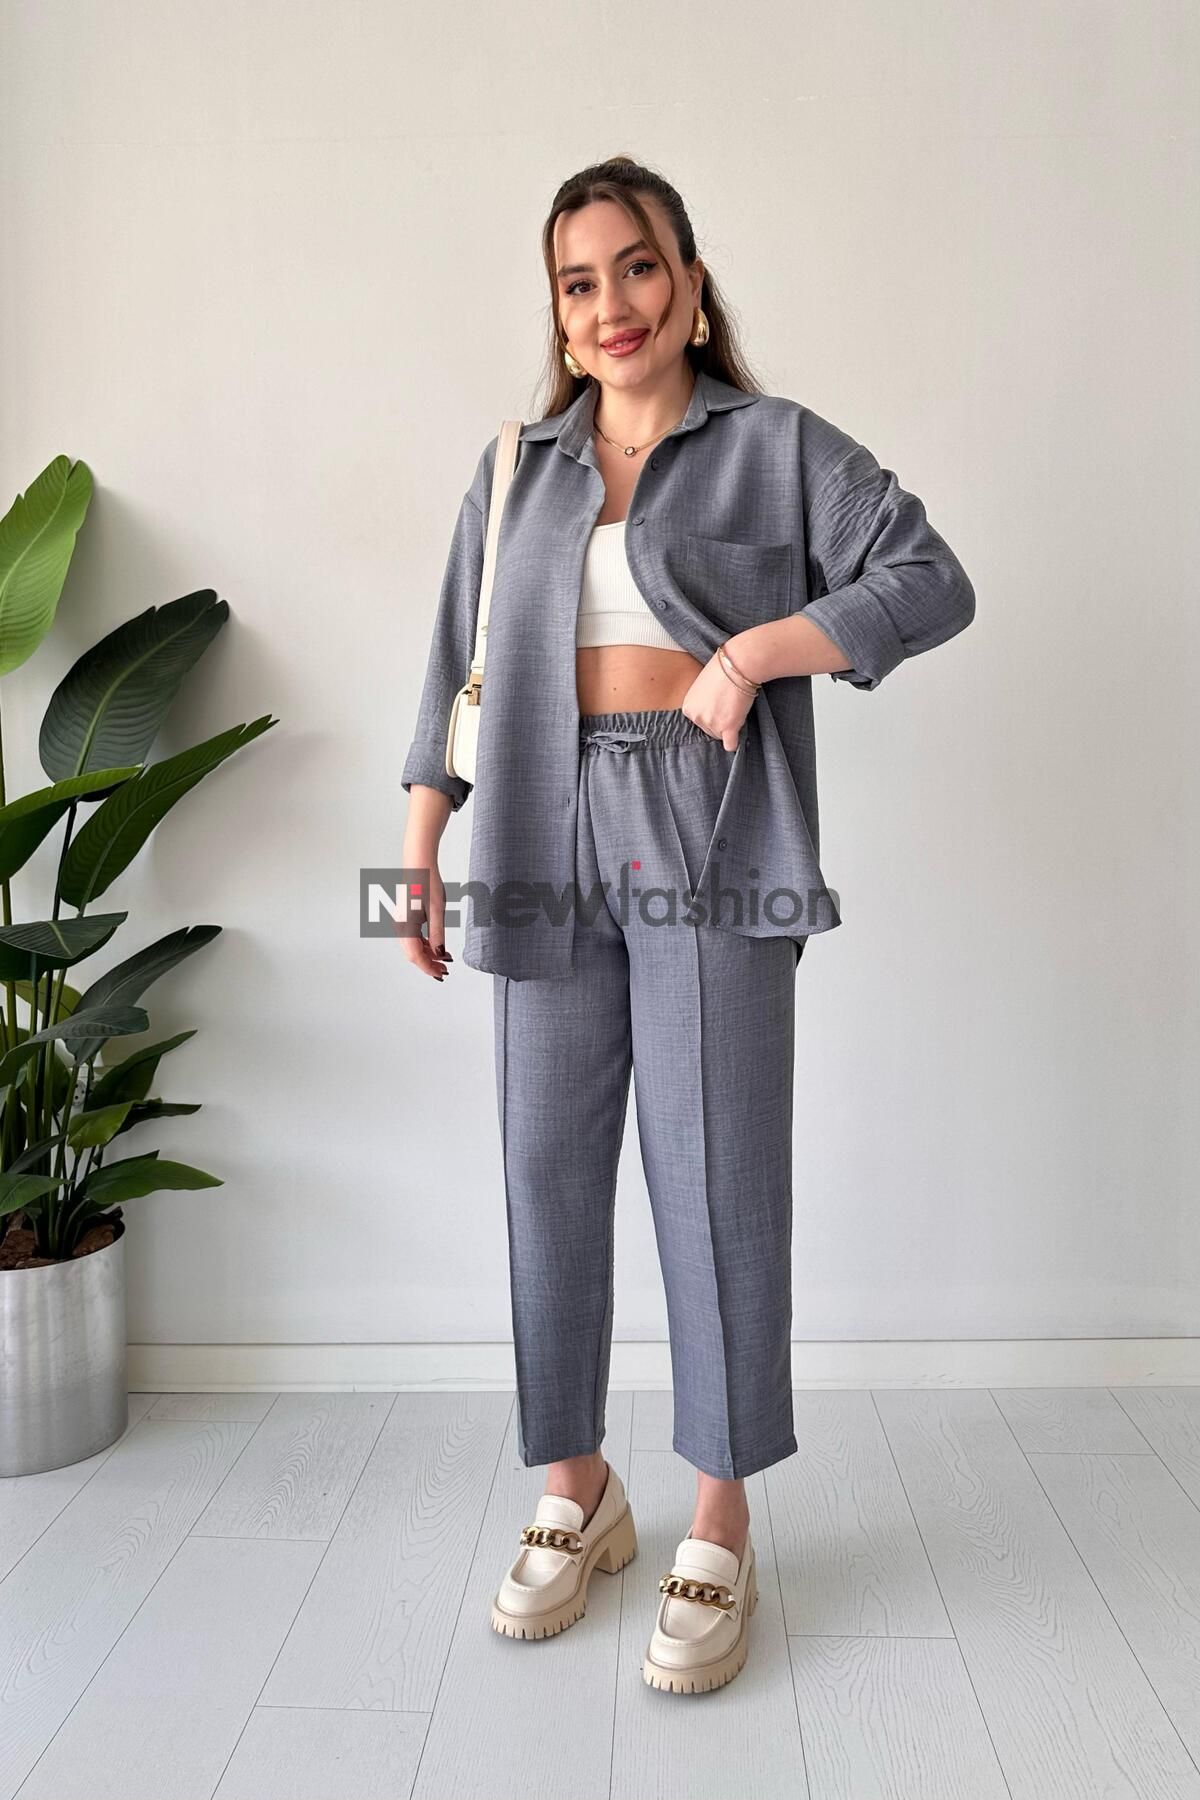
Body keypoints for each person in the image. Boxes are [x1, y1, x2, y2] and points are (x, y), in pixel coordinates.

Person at [400, 154, 975, 1695]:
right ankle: (575, 1486)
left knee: (714, 1170)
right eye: (579, 282)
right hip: (532, 819)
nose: (613, 305)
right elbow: (450, 664)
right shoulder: (517, 469)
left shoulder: (774, 449)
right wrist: (421, 851)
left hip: (706, 822)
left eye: (638, 267)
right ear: (559, 313)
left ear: (692, 283)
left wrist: (763, 652)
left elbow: (931, 578)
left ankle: (719, 1514)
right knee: (543, 1165)